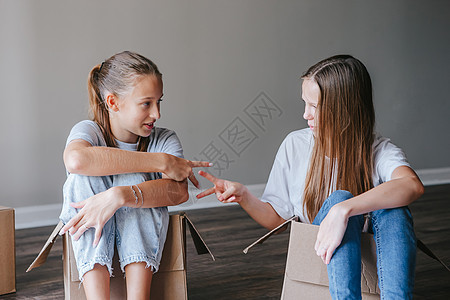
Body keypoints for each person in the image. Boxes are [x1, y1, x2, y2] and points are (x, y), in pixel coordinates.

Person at [196, 55, 424, 299]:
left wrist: (343, 210)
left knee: (393, 208)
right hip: (322, 261)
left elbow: (411, 185)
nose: (306, 114)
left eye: (314, 106)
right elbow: (278, 219)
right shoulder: (296, 145)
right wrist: (243, 196)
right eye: (305, 103)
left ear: (343, 110)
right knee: (339, 198)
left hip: (369, 259)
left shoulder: (377, 150)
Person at [58, 51, 210, 299]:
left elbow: (180, 192)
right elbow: (76, 160)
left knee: (134, 178)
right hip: (96, 243)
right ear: (113, 103)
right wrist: (162, 162)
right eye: (147, 103)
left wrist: (120, 196)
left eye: (159, 102)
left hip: (140, 237)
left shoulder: (164, 138)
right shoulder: (90, 131)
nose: (157, 114)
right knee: (82, 176)